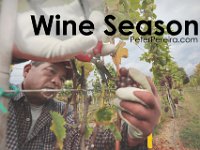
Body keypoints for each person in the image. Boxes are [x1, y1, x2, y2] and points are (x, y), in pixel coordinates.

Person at [7, 61, 160, 150]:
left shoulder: (62, 111)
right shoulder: (4, 99)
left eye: (62, 78)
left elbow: (81, 137)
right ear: (27, 70)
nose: (56, 81)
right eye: (50, 71)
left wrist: (129, 134)